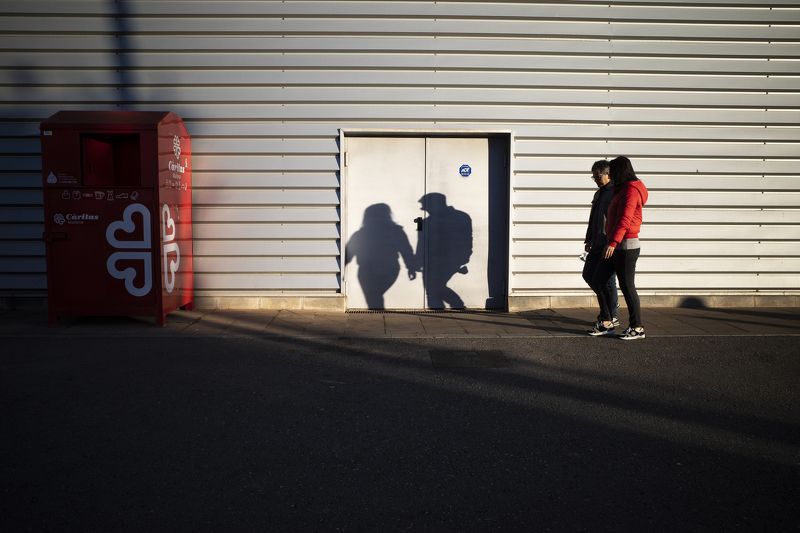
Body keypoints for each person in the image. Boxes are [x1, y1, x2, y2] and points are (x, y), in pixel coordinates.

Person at [603, 156, 649, 340]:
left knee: (628, 286)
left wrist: (613, 242)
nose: (611, 176)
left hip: (626, 245)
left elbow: (625, 219)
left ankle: (637, 327)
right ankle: (607, 320)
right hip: (620, 244)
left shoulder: (631, 190)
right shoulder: (624, 189)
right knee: (601, 278)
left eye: (613, 172)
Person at [345, 203, 417, 309]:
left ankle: (377, 316)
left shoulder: (361, 234)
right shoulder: (396, 231)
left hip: (367, 270)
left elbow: (348, 254)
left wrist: (341, 270)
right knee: (375, 296)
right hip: (389, 269)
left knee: (373, 297)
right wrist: (411, 268)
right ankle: (379, 315)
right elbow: (406, 250)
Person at [582, 160, 620, 336]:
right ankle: (609, 313)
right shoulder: (598, 194)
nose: (596, 179)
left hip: (607, 243)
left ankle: (610, 316)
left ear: (608, 174)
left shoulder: (614, 193)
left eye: (598, 176)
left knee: (606, 281)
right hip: (596, 242)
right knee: (588, 275)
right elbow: (593, 218)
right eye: (593, 177)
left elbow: (618, 220)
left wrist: (612, 242)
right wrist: (589, 238)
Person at [416, 193, 472, 309]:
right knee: (432, 288)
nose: (425, 210)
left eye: (425, 207)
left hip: (449, 259)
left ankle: (457, 304)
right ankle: (444, 309)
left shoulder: (460, 217)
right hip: (434, 259)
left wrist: (464, 256)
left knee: (433, 287)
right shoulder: (462, 216)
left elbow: (466, 238)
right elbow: (421, 242)